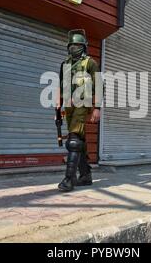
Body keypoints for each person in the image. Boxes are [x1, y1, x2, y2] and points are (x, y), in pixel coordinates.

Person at [57, 29, 101, 193]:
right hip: (69, 105)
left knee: (73, 141)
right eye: (71, 45)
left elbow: (99, 85)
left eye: (76, 45)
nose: (73, 47)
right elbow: (61, 86)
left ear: (83, 46)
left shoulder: (90, 63)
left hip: (83, 103)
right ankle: (85, 175)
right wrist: (58, 103)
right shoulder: (65, 64)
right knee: (79, 140)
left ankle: (69, 179)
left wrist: (97, 108)